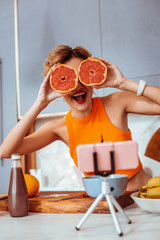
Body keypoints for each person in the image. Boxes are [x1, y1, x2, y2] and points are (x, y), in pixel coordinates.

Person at [0, 45, 160, 192]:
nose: (77, 86)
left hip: (144, 198)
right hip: (103, 207)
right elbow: (6, 151)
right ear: (57, 87)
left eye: (82, 76)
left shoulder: (116, 102)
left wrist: (124, 83)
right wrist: (40, 102)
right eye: (68, 79)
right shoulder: (59, 128)